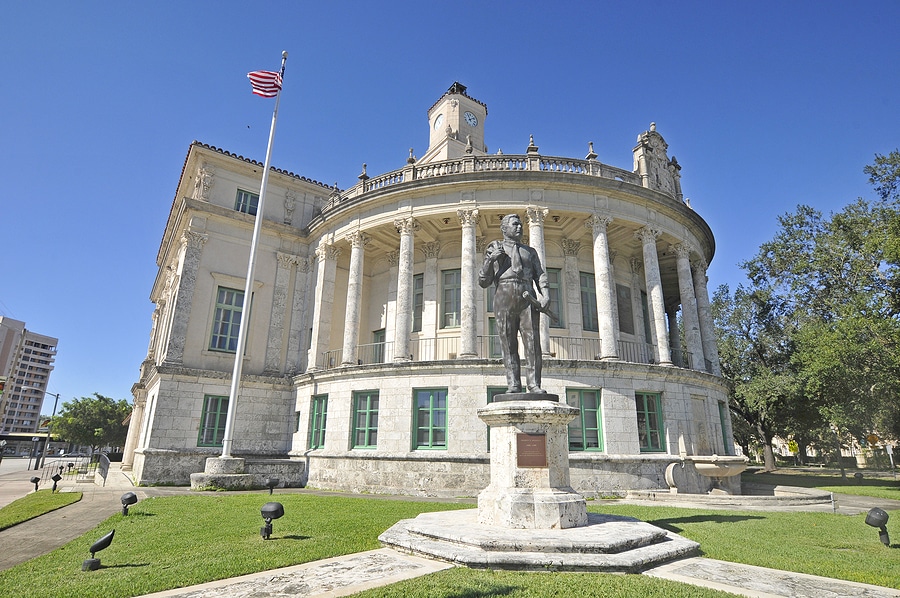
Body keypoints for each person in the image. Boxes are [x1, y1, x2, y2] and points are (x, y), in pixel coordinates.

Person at [479, 213, 550, 394]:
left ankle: (534, 384)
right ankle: (513, 384)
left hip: (527, 297)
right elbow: (484, 281)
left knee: (533, 343)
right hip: (504, 296)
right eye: (515, 224)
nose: (519, 227)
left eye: (520, 225)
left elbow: (540, 275)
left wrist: (546, 295)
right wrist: (491, 260)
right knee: (508, 343)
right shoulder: (495, 247)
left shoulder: (530, 251)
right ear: (504, 228)